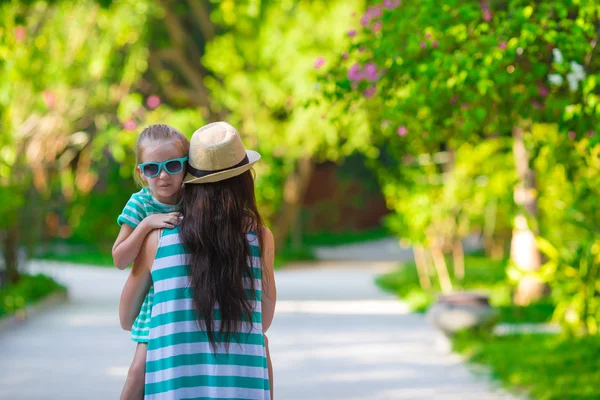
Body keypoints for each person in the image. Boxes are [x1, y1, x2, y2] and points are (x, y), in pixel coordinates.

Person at [119, 121, 276, 400]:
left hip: (175, 388)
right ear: (245, 182)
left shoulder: (159, 238)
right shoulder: (260, 238)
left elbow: (126, 318)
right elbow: (261, 322)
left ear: (188, 177)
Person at [112, 124, 190, 399]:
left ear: (187, 165)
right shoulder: (140, 203)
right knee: (138, 373)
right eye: (152, 169)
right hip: (155, 306)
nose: (163, 176)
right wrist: (146, 225)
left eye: (172, 165)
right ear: (141, 173)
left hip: (188, 302)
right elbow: (120, 258)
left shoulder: (194, 198)